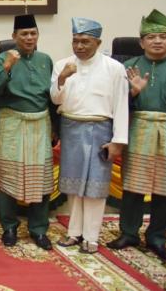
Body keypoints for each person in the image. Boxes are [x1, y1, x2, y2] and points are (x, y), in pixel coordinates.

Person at [51, 18, 128, 254]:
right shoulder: (62, 64)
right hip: (71, 128)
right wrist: (62, 78)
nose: (79, 46)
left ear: (98, 42)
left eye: (85, 41)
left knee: (96, 185)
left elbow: (121, 105)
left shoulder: (114, 68)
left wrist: (118, 141)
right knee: (73, 184)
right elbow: (55, 99)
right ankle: (74, 232)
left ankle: (91, 237)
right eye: (75, 41)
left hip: (101, 130)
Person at [0, 14, 55, 250]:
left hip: (40, 123)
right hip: (12, 122)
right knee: (9, 176)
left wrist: (55, 128)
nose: (29, 38)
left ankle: (39, 229)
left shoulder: (46, 60)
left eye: (33, 33)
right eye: (24, 34)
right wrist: (7, 67)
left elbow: (52, 97)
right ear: (14, 36)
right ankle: (9, 227)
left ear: (38, 36)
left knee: (41, 176)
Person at [107, 9, 166, 262]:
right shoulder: (127, 67)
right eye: (151, 37)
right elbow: (114, 105)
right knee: (133, 185)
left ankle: (157, 236)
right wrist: (132, 93)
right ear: (141, 42)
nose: (158, 41)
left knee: (165, 187)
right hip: (138, 129)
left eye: (163, 36)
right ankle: (129, 233)